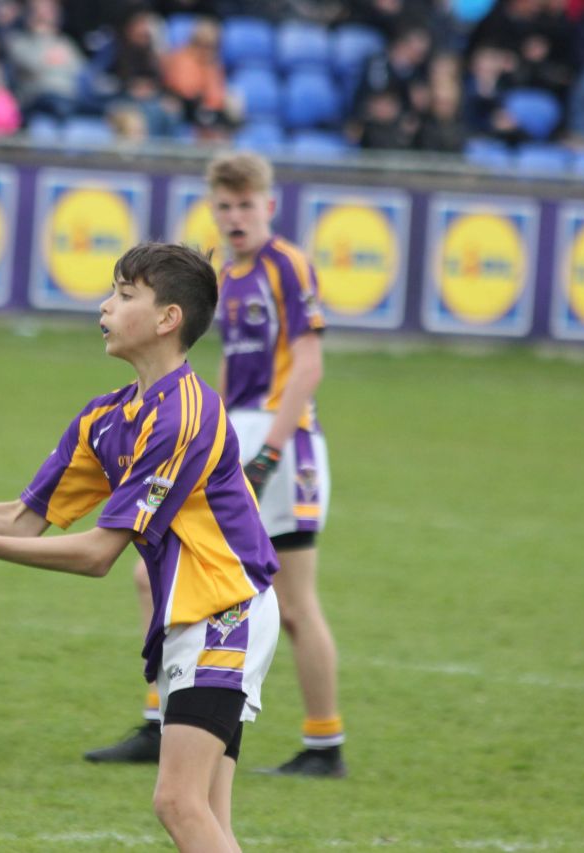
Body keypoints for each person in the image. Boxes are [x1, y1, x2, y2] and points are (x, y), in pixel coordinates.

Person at [0, 241, 281, 852]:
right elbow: (23, 519)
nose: (104, 306)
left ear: (167, 319)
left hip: (225, 612)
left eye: (124, 295)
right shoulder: (107, 417)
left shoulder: (187, 414)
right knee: (206, 814)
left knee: (178, 802)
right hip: (203, 614)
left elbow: (97, 555)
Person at [84, 153, 347, 779]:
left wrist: (270, 453)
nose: (234, 217)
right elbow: (228, 365)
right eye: (224, 206)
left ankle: (323, 742)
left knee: (292, 603)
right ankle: (164, 716)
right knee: (158, 572)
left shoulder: (287, 264)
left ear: (269, 207)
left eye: (246, 205)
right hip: (240, 434)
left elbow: (307, 365)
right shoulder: (223, 273)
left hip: (287, 442)